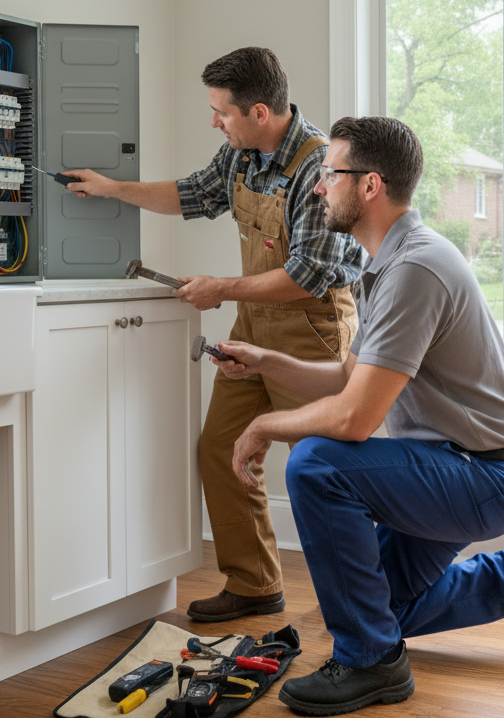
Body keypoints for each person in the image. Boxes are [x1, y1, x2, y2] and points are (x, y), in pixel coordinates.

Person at [207, 116, 504, 715]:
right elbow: (351, 378)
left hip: (483, 476)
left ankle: (371, 665)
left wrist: (265, 424)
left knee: (318, 462)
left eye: (329, 173)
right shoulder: (385, 263)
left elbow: (353, 420)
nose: (318, 186)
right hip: (446, 464)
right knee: (375, 606)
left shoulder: (414, 270)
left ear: (369, 185)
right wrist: (266, 362)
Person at [62, 47, 362, 622]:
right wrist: (111, 188)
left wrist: (220, 288)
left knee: (326, 468)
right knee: (222, 450)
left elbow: (308, 275)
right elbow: (190, 194)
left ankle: (364, 600)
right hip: (255, 321)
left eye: (220, 112)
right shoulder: (240, 156)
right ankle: (254, 585)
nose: (214, 122)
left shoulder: (318, 168)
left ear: (258, 111)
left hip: (314, 329)